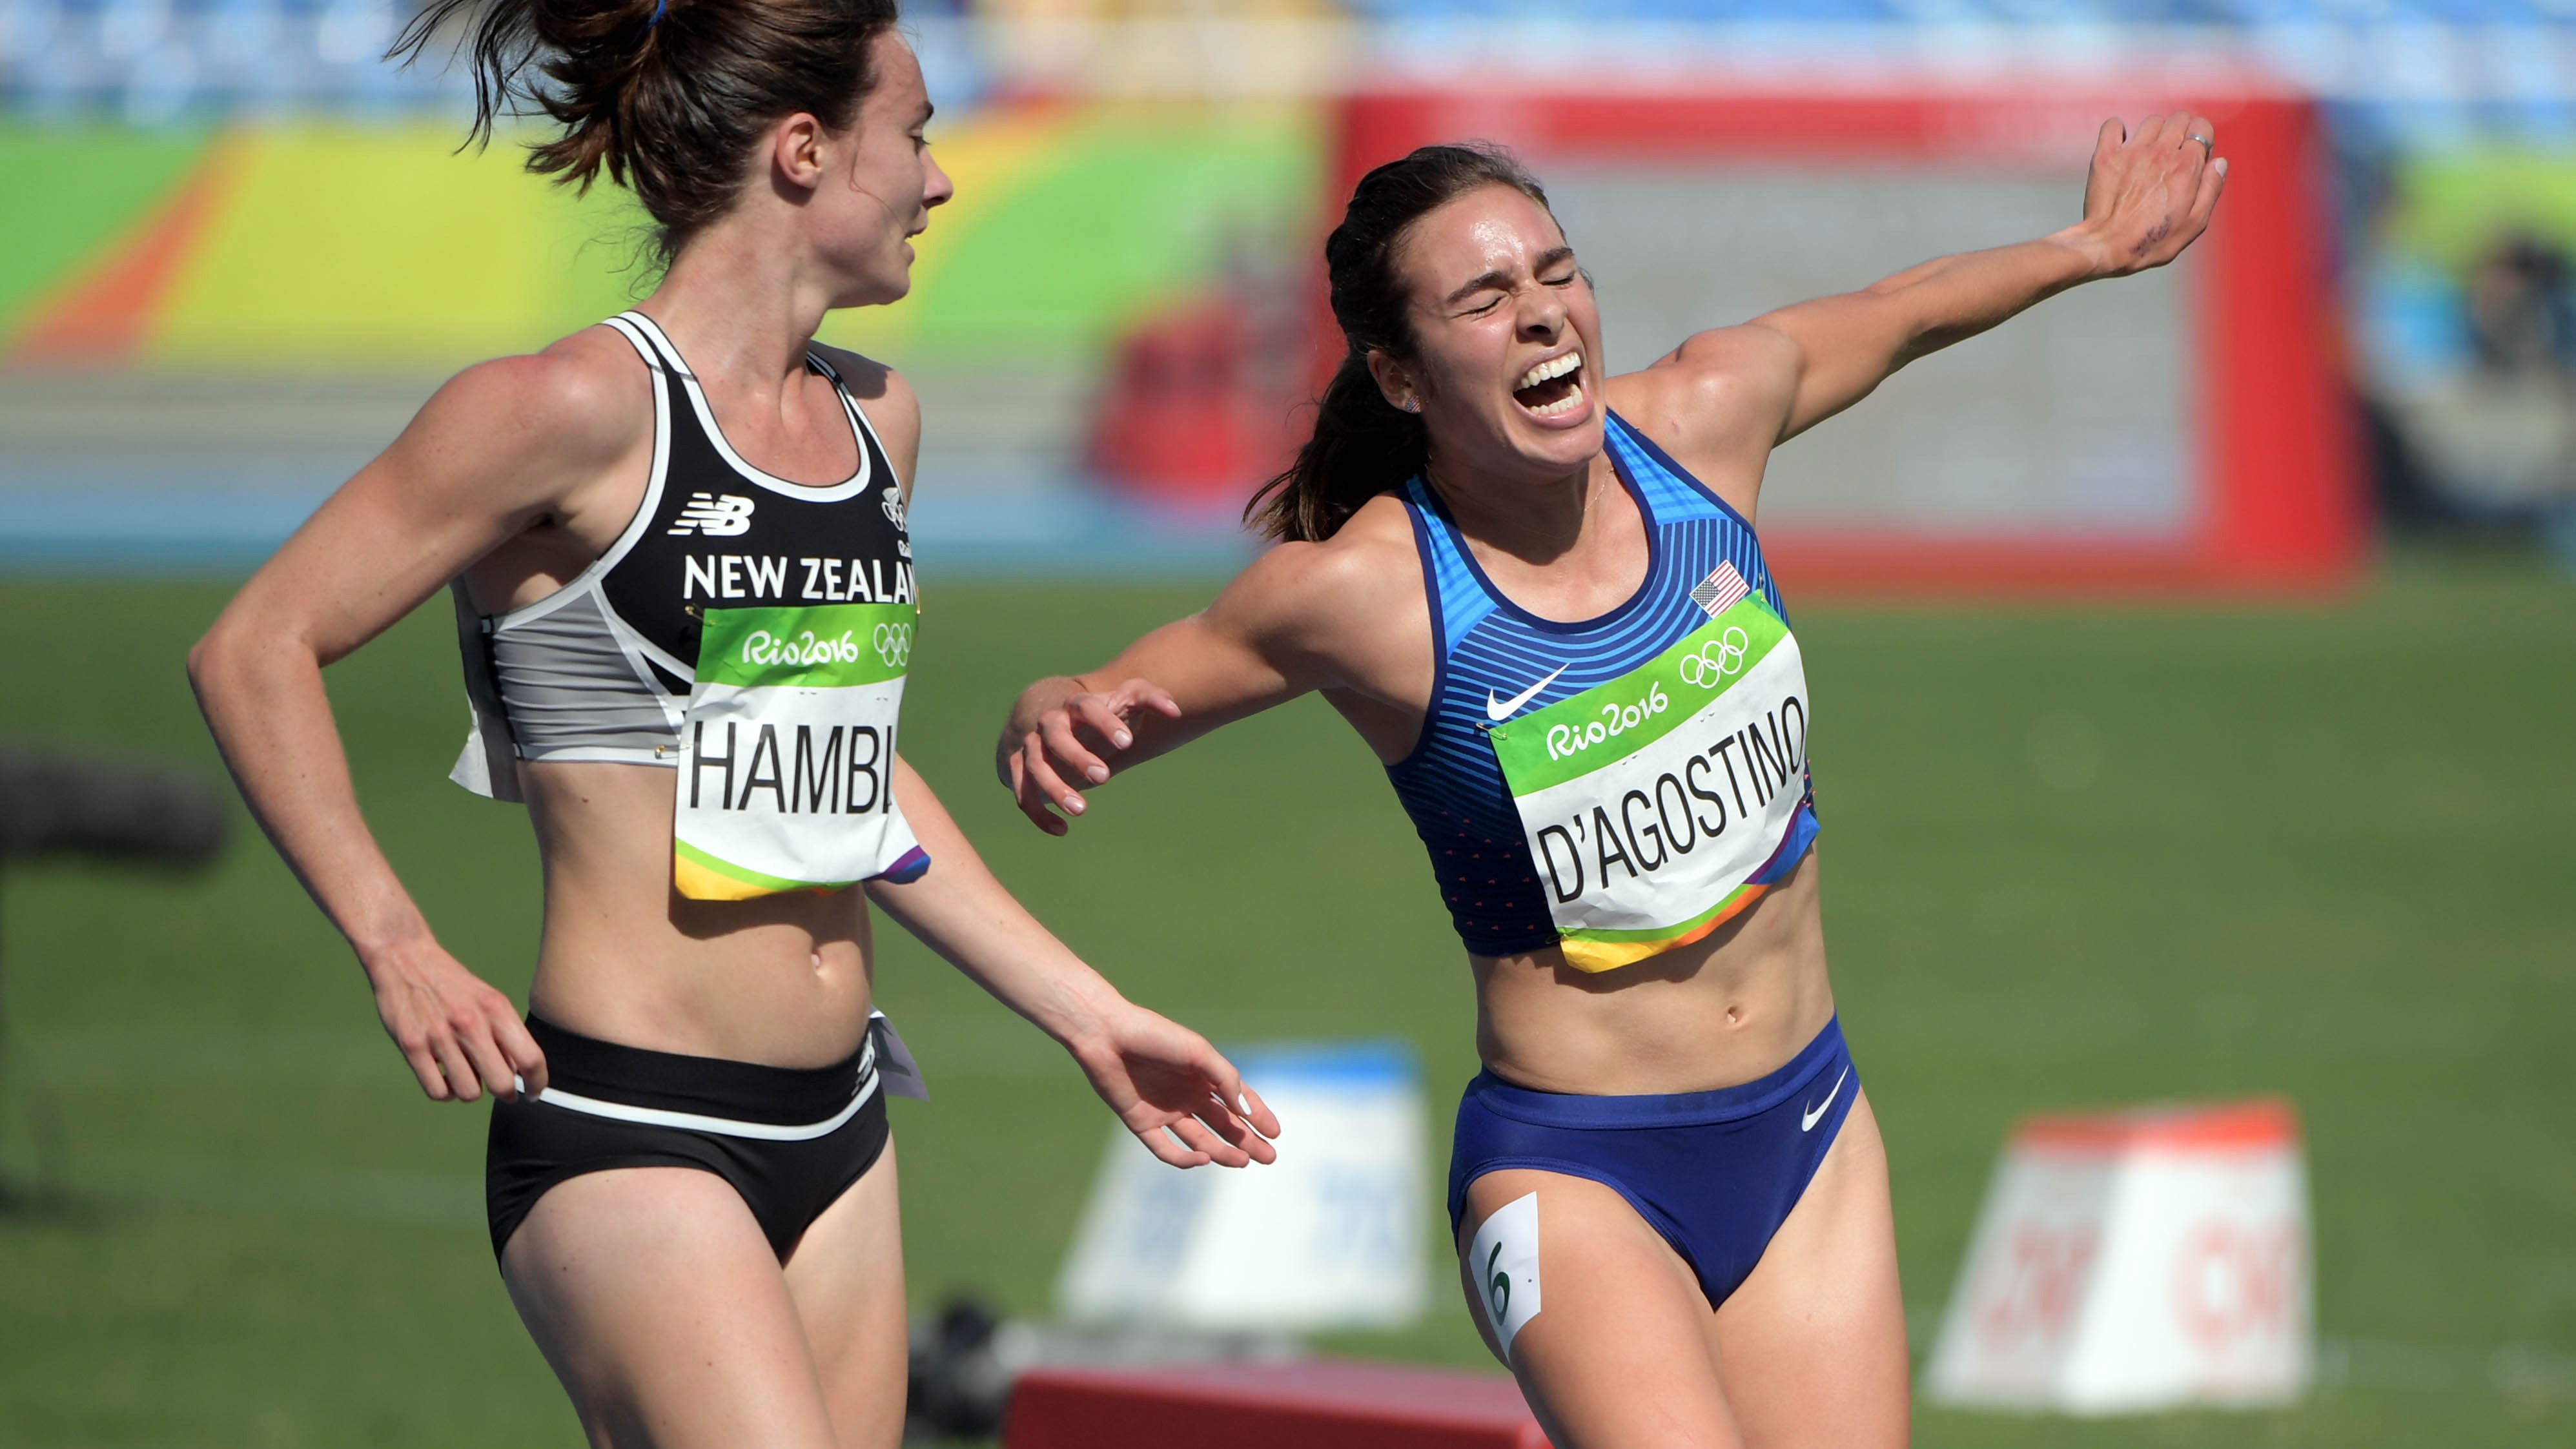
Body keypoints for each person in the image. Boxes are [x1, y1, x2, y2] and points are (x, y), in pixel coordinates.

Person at [999, 118, 2225, 1447]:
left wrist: (2088, 247)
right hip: (1576, 1172)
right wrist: (1048, 709)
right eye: (1486, 297)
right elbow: (1127, 692)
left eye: (1554, 272)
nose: (1542, 317)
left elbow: (1898, 311)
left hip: (1808, 1134)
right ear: (1401, 376)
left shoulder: (1707, 420)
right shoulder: (1366, 594)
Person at [188, 3, 1276, 1446]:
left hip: (841, 1133)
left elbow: (849, 780)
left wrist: (1091, 1015)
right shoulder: (565, 409)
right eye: (921, 135)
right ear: (808, 151)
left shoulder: (878, 426)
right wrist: (394, 941)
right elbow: (257, 643)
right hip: (627, 1129)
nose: (941, 181)